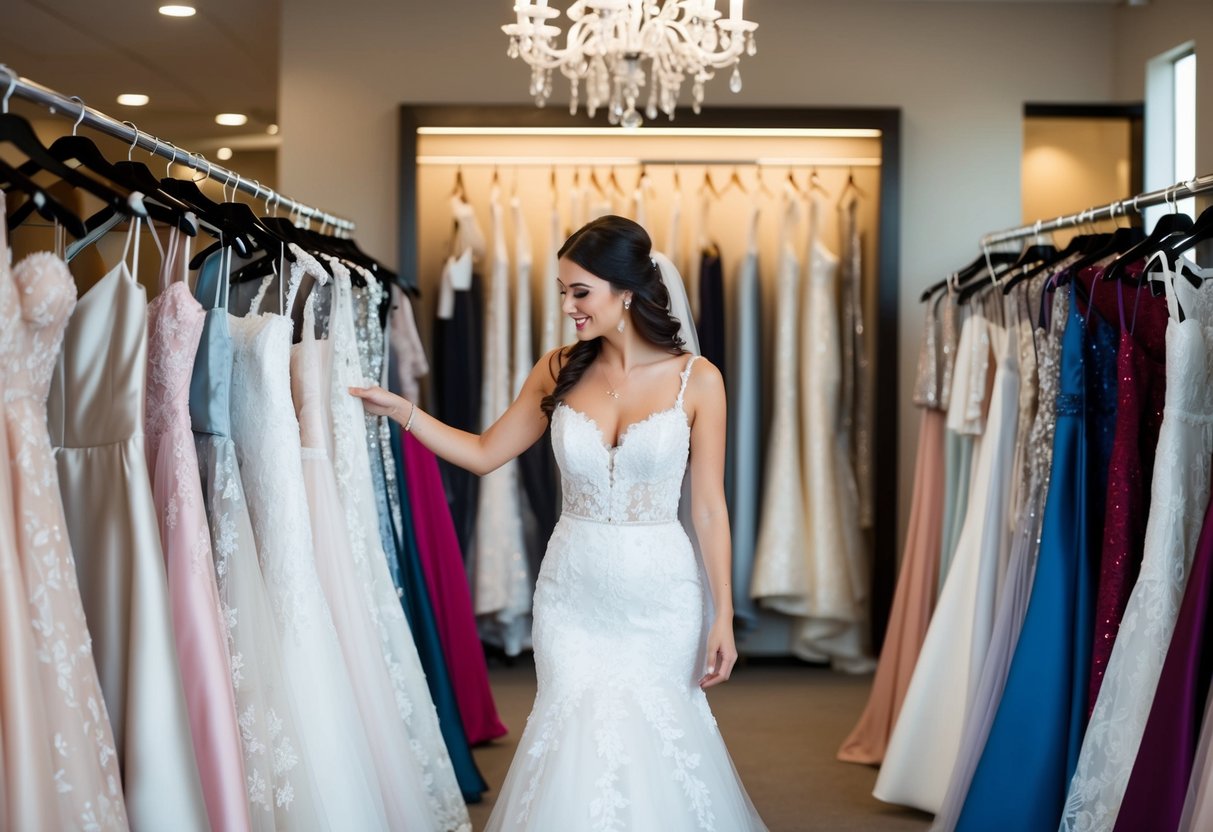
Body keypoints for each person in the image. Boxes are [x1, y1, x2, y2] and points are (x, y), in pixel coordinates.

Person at [351, 215, 767, 830]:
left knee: (660, 738)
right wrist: (403, 411)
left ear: (626, 292)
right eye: (564, 291)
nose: (569, 306)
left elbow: (708, 507)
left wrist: (723, 613)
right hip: (572, 594)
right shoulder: (559, 370)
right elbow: (486, 453)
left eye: (581, 292)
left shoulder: (697, 381)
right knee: (571, 734)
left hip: (662, 599)